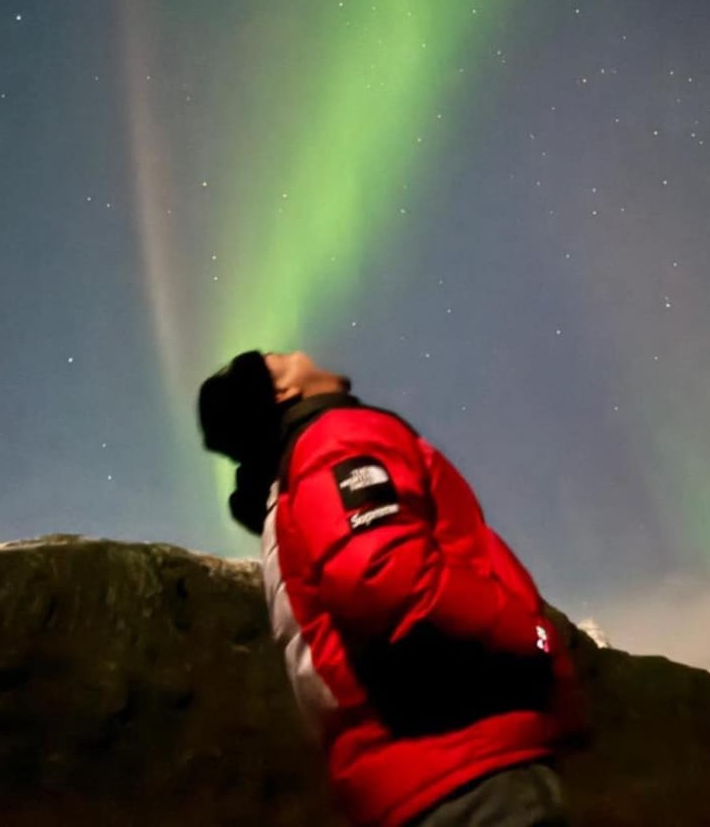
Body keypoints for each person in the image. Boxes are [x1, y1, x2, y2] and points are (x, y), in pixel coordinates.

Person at [197, 349, 581, 827]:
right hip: (471, 769)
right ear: (284, 392)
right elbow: (379, 576)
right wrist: (533, 638)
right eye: (281, 357)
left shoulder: (289, 490)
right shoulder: (337, 437)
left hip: (406, 786)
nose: (299, 350)